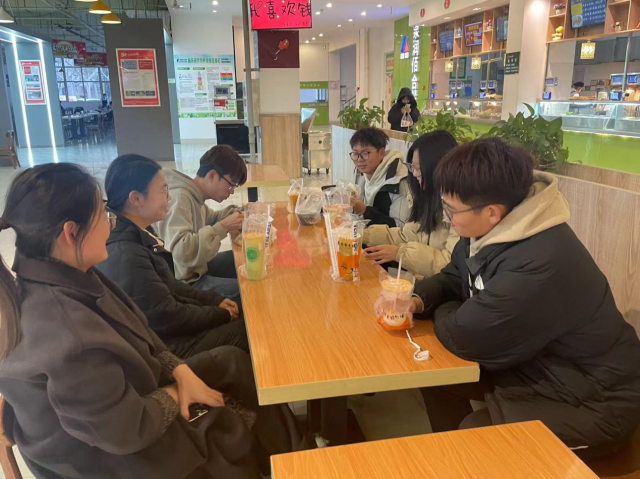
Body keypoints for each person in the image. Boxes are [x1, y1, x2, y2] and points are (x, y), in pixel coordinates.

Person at [0, 163, 301, 479]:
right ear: (71, 233)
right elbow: (126, 430)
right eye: (102, 216)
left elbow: (141, 328)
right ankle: (284, 460)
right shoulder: (64, 331)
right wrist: (177, 392)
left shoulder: (69, 274)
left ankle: (294, 455)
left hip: (129, 404)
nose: (110, 224)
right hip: (117, 457)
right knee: (227, 428)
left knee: (232, 362)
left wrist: (181, 372)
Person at [411, 138, 640, 459]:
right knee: (433, 379)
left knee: (475, 435)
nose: (447, 217)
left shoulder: (540, 260)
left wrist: (452, 310)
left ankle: (464, 463)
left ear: (492, 212)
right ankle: (454, 461)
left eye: (451, 209)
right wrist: (418, 299)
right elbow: (453, 276)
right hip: (538, 370)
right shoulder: (486, 230)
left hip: (596, 402)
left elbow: (464, 336)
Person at [98, 154, 249, 358]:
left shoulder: (140, 231)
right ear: (136, 199)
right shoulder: (126, 253)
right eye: (163, 191)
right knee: (247, 322)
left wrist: (215, 301)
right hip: (166, 346)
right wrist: (219, 313)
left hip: (174, 314)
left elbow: (170, 286)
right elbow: (168, 315)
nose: (169, 198)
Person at [154, 145, 247, 303]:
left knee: (244, 259)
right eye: (231, 185)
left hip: (197, 267)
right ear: (212, 175)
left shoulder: (195, 195)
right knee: (249, 289)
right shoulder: (180, 198)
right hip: (187, 282)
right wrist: (223, 227)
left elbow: (212, 218)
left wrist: (239, 212)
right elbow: (180, 251)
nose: (231, 191)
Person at [363, 130, 459, 278]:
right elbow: (408, 235)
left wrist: (401, 253)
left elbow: (450, 265)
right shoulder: (426, 197)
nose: (414, 173)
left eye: (419, 168)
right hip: (419, 280)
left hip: (435, 286)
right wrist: (362, 234)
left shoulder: (459, 208)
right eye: (412, 166)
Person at [349, 127, 410, 228]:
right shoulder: (365, 174)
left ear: (381, 153)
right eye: (355, 153)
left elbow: (400, 227)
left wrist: (364, 211)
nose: (359, 159)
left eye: (365, 153)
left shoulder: (398, 181)